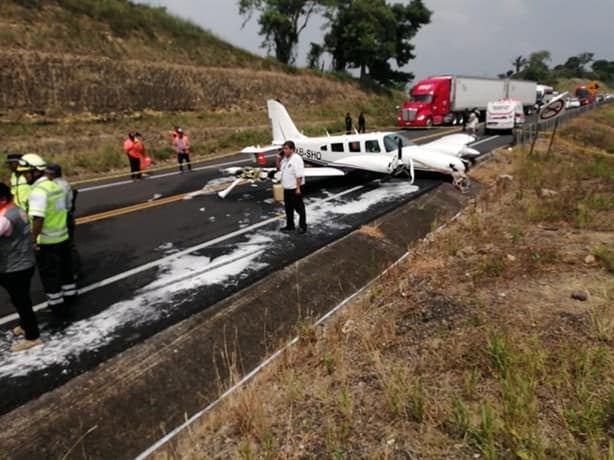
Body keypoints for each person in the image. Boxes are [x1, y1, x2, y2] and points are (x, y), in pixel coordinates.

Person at [18, 153, 77, 312]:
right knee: (66, 271)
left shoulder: (38, 191)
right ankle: (70, 296)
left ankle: (56, 305)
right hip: (62, 237)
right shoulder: (54, 186)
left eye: (25, 173)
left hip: (48, 242)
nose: (24, 177)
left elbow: (38, 218)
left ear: (36, 172)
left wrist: (33, 239)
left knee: (50, 275)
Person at [0, 182, 42, 352]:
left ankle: (32, 337)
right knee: (20, 299)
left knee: (22, 301)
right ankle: (26, 325)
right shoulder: (16, 209)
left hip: (13, 268)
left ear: (2, 199)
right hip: (24, 263)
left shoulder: (5, 218)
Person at [45, 163, 81, 279]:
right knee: (69, 246)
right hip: (66, 216)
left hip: (63, 218)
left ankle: (74, 270)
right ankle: (72, 270)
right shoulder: (63, 183)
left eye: (47, 173)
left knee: (68, 246)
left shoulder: (56, 186)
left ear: (52, 174)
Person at [279, 140, 306, 234]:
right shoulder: (285, 159)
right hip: (286, 189)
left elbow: (299, 175)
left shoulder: (297, 159)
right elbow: (279, 169)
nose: (284, 150)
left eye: (286, 148)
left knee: (299, 209)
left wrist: (298, 188)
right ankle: (290, 226)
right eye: (283, 148)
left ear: (292, 149)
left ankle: (303, 227)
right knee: (288, 209)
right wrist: (277, 158)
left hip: (294, 189)